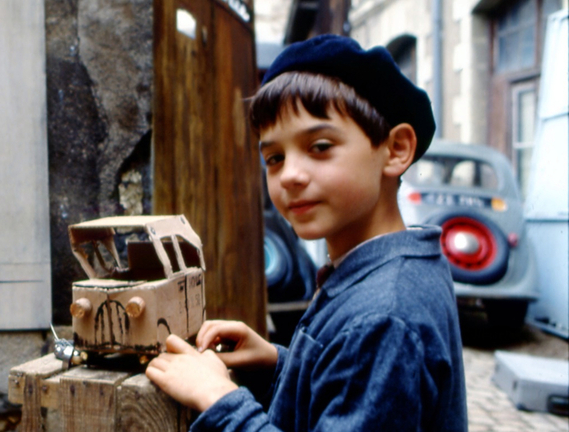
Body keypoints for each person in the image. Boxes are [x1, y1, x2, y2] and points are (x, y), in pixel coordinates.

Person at [145, 34, 468, 431]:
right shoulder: (396, 267)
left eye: (319, 146)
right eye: (275, 158)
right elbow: (346, 390)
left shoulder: (382, 318)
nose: (291, 176)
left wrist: (219, 399)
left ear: (395, 149)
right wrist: (280, 363)